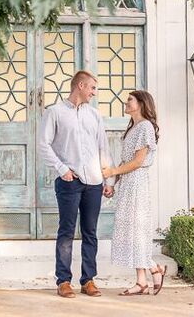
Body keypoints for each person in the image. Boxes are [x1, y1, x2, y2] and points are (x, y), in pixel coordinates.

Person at [37, 70, 115, 298]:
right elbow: (43, 144)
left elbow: (103, 148)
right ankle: (63, 281)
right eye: (92, 87)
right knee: (66, 231)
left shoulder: (94, 115)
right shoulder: (55, 113)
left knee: (90, 232)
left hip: (94, 182)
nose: (94, 92)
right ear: (80, 86)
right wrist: (62, 170)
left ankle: (88, 280)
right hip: (69, 182)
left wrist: (108, 180)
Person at [102, 90, 167, 296]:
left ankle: (154, 269)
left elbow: (138, 162)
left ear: (141, 103)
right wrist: (113, 182)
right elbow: (125, 161)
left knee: (137, 231)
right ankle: (142, 280)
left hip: (138, 185)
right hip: (128, 184)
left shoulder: (146, 127)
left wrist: (112, 171)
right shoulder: (132, 128)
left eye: (130, 99)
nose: (126, 102)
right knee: (131, 232)